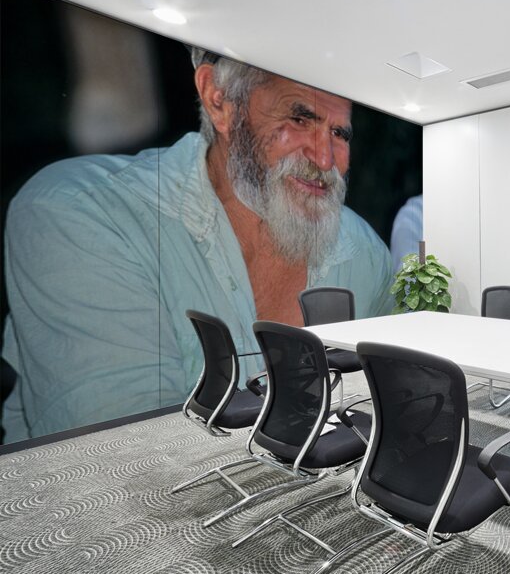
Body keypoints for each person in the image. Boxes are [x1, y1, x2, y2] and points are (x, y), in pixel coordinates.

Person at [1, 48, 394, 441]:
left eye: (340, 133)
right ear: (219, 100)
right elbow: (124, 455)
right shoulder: (83, 210)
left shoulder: (365, 255)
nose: (324, 157)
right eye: (299, 117)